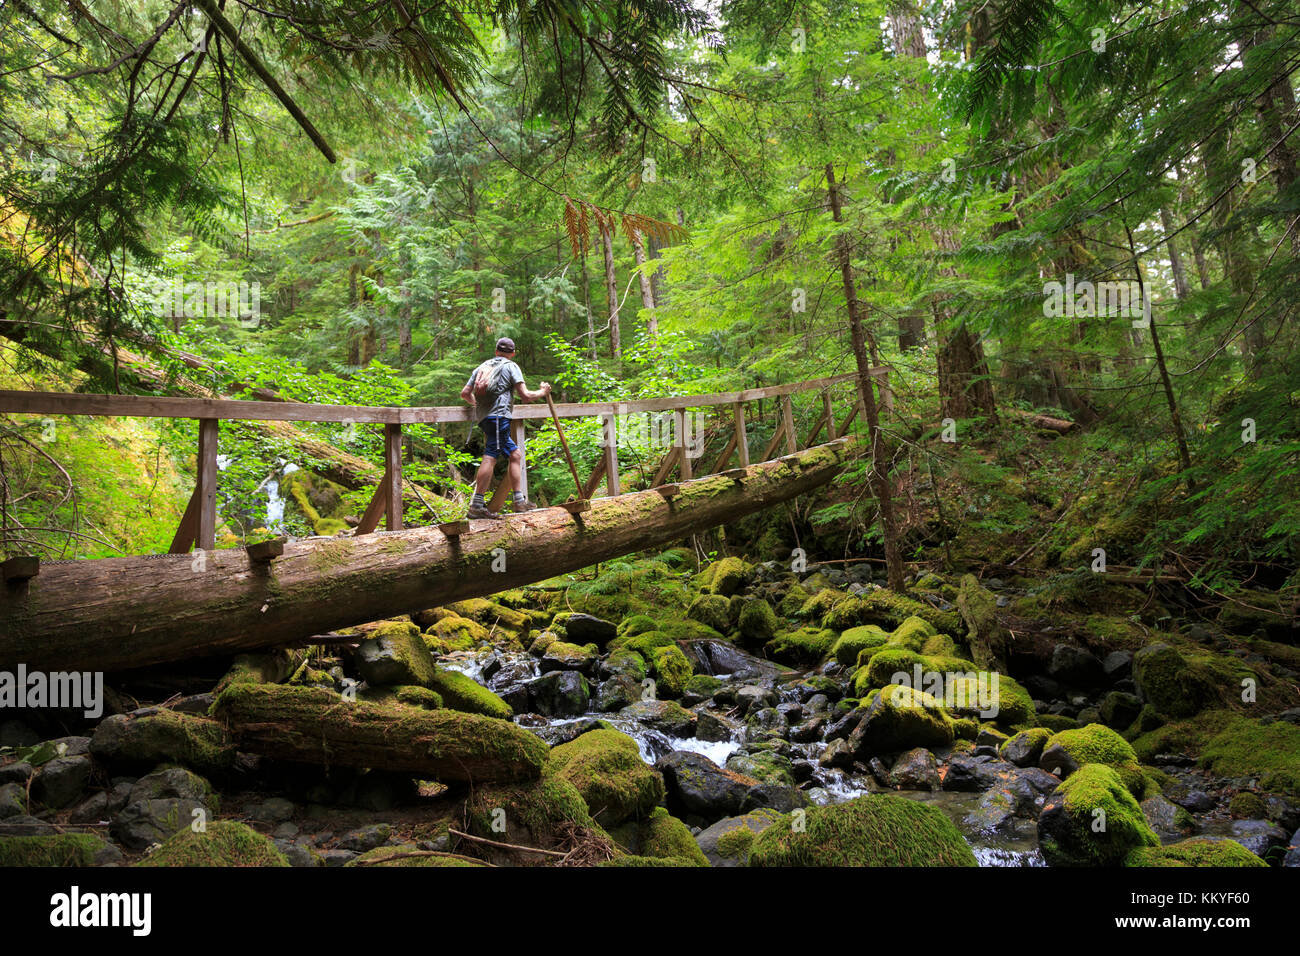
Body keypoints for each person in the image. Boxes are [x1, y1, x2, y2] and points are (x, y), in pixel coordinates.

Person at [460, 337, 551, 518]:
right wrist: (543, 391)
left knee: (514, 454)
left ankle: (519, 502)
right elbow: (525, 396)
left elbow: (464, 394)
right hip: (499, 417)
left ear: (496, 351)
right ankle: (476, 505)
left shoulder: (482, 367)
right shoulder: (511, 366)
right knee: (491, 455)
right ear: (512, 353)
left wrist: (478, 406)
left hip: (486, 419)